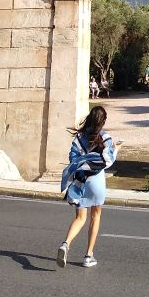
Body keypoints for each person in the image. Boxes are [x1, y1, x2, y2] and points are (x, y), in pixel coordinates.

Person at [57, 105, 121, 269]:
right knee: (96, 216)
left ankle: (66, 244)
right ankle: (88, 255)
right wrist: (117, 148)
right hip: (97, 180)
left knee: (79, 218)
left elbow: (73, 158)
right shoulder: (105, 137)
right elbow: (108, 160)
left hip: (81, 180)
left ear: (89, 118)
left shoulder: (79, 138)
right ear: (103, 120)